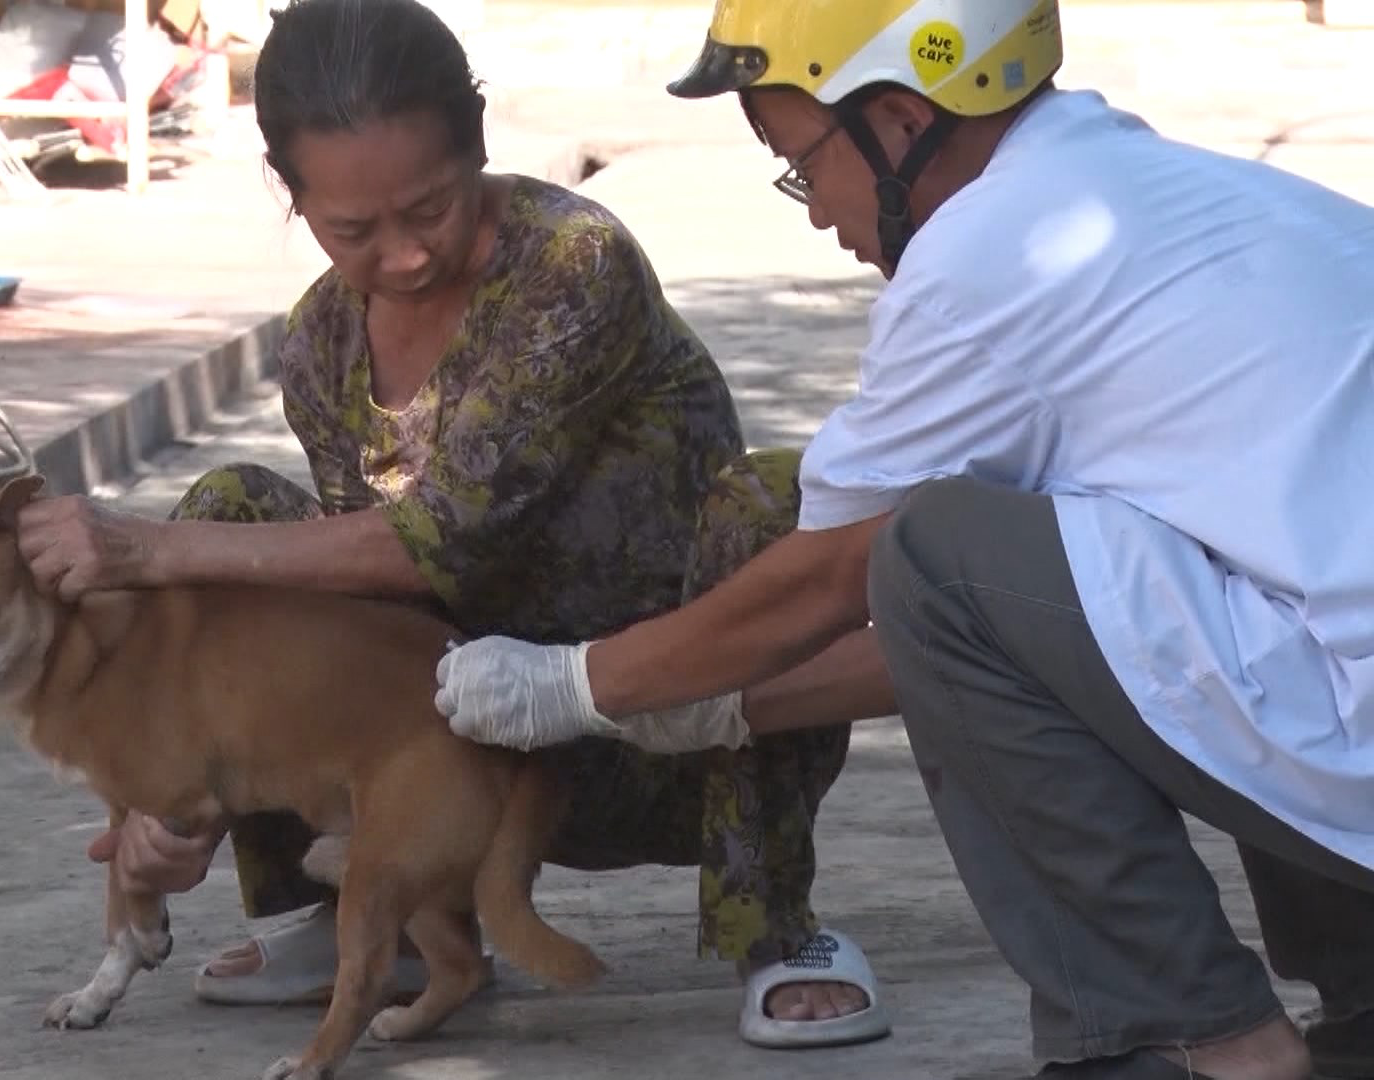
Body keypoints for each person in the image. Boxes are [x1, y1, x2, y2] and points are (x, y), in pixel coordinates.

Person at [432, 0, 1374, 1077]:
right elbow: (1021, 648)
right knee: (1220, 561)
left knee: (931, 550)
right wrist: (717, 704)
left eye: (802, 163)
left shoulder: (989, 252)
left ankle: (1188, 1034)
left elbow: (841, 579)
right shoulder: (1184, 200)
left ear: (896, 118)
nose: (816, 211)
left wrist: (578, 684)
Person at [14, 0, 901, 1048]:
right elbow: (353, 608)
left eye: (429, 208)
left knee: (773, 507)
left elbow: (442, 539)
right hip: (451, 752)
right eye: (353, 231)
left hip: (661, 727)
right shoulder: (320, 344)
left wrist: (145, 548)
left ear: (479, 143)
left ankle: (770, 920)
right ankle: (369, 921)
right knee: (234, 519)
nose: (402, 255)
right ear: (293, 200)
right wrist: (170, 788)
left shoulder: (573, 263)